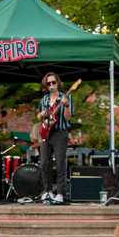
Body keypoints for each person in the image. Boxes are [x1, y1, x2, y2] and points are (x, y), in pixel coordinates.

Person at [37, 72, 73, 204]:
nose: (51, 85)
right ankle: (47, 191)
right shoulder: (44, 100)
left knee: (60, 163)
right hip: (46, 132)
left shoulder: (65, 97)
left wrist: (67, 105)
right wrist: (41, 115)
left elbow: (68, 118)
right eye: (49, 83)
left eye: (53, 82)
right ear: (46, 85)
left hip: (60, 133)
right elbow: (38, 116)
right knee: (45, 162)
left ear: (58, 83)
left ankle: (60, 193)